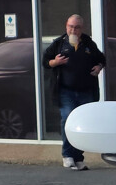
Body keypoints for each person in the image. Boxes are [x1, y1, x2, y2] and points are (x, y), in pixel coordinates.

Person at [43, 14, 105, 171]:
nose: (73, 30)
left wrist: (98, 67)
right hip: (66, 90)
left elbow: (102, 58)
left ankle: (78, 158)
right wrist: (56, 62)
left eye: (77, 27)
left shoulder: (88, 43)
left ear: (81, 29)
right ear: (66, 26)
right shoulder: (59, 43)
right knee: (68, 119)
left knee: (81, 124)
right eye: (70, 26)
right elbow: (45, 61)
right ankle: (67, 155)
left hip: (85, 91)